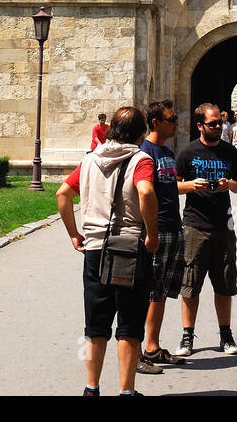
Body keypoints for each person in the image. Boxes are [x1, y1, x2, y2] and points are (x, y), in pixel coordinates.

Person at [56, 106, 159, 396]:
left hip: (95, 249)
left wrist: (75, 234)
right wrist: (152, 234)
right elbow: (146, 192)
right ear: (141, 132)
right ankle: (126, 391)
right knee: (129, 322)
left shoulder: (90, 160)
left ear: (112, 128)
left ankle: (92, 388)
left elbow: (62, 194)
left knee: (96, 322)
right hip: (129, 248)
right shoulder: (141, 159)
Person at [174, 102, 237, 357]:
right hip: (195, 224)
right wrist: (192, 185)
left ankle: (225, 335)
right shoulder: (187, 152)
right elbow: (174, 186)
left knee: (224, 281)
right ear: (200, 126)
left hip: (224, 225)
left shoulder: (228, 152)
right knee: (190, 282)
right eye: (213, 123)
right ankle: (187, 336)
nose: (218, 126)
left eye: (219, 122)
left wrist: (229, 185)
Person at [139, 99, 184, 372]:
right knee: (151, 291)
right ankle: (144, 351)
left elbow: (169, 187)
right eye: (172, 119)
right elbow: (145, 193)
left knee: (162, 293)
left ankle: (153, 346)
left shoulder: (165, 151)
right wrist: (150, 231)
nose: (176, 123)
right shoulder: (146, 153)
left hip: (173, 227)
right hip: (158, 229)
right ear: (156, 123)